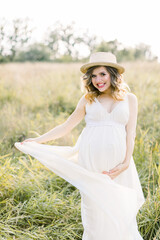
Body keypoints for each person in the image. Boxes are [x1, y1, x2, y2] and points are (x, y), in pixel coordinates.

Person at [15, 52, 145, 240]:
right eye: (93, 75)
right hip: (91, 162)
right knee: (95, 209)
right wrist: (37, 140)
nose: (98, 80)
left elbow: (131, 133)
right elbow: (66, 126)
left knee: (120, 209)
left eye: (102, 74)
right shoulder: (87, 100)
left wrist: (125, 163)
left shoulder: (130, 99)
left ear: (113, 74)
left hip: (119, 163)